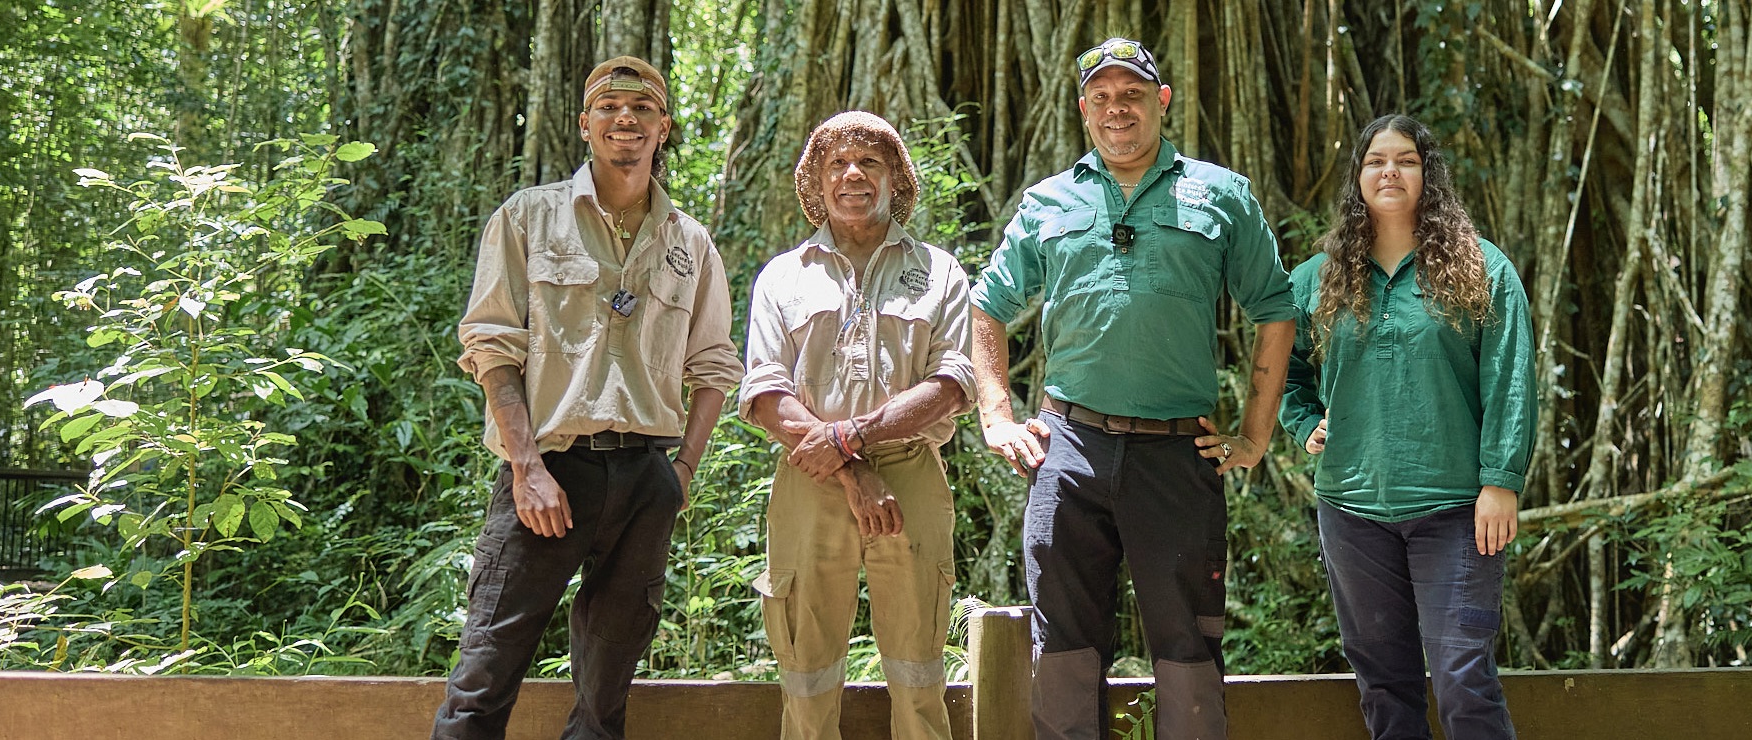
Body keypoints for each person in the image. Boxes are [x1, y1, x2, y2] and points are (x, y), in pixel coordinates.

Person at [970, 37, 1299, 740]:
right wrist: (996, 414)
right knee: (1063, 652)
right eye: (1103, 97)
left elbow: (1274, 307)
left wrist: (1257, 433)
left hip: (1177, 456)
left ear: (1162, 101)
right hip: (1069, 449)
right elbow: (988, 305)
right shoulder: (1048, 200)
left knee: (1188, 654)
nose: (1118, 109)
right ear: (1084, 109)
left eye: (1133, 95)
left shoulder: (1219, 194)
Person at [436, 55, 740, 740]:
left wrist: (680, 473)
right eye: (607, 107)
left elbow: (715, 365)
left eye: (641, 109)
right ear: (584, 124)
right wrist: (526, 468)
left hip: (644, 478)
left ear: (664, 127)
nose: (624, 119)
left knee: (605, 697)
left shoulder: (689, 241)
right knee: (485, 675)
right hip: (548, 471)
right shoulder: (528, 218)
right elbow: (491, 346)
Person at [1280, 114, 1537, 740]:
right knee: (1384, 682)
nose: (1389, 170)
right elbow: (1281, 372)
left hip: (1456, 510)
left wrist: (1500, 480)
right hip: (1352, 508)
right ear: (1358, 177)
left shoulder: (1482, 268)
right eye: (1375, 161)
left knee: (1461, 677)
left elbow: (1510, 378)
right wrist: (1305, 422)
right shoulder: (1317, 278)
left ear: (1429, 175)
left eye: (1406, 160)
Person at [740, 111, 975, 740]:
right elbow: (765, 394)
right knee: (807, 676)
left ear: (896, 177)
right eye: (837, 163)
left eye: (870, 162)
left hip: (911, 480)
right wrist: (849, 468)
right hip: (809, 479)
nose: (853, 175)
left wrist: (852, 437)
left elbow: (951, 385)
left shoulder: (940, 272)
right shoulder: (783, 277)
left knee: (920, 674)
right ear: (814, 181)